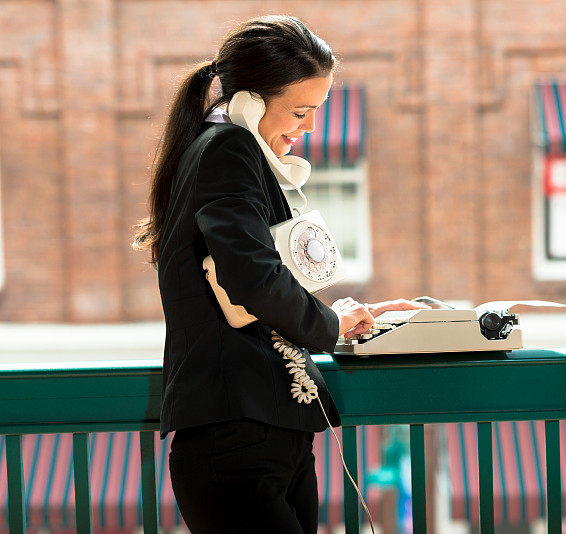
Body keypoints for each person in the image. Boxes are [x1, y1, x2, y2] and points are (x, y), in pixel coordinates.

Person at [132, 15, 427, 533]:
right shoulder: (230, 147)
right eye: (300, 110)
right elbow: (250, 274)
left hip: (260, 436)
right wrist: (329, 327)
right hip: (236, 439)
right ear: (248, 100)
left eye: (317, 110)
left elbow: (255, 280)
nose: (310, 126)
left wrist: (339, 318)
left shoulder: (219, 148)